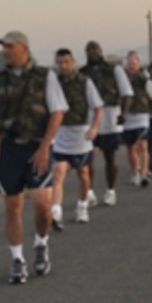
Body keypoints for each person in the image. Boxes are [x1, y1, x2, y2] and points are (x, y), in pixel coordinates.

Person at [0, 30, 64, 284]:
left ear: (24, 49)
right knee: (12, 205)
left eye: (10, 47)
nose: (5, 51)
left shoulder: (44, 77)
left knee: (41, 204)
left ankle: (41, 243)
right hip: (10, 148)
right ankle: (17, 260)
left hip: (37, 145)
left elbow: (57, 112)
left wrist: (45, 148)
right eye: (3, 47)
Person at [46, 47, 105, 226]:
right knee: (58, 172)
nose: (63, 66)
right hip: (61, 133)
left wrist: (94, 128)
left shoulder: (84, 82)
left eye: (66, 62)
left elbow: (98, 107)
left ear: (73, 62)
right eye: (60, 63)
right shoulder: (52, 82)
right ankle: (56, 211)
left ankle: (82, 206)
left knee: (83, 173)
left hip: (81, 133)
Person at [80, 40, 131, 207]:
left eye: (95, 49)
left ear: (101, 51)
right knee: (87, 159)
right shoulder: (82, 73)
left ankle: (110, 190)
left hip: (110, 117)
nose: (92, 52)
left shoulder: (114, 70)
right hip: (88, 118)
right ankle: (89, 191)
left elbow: (126, 93)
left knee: (110, 155)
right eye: (89, 50)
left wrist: (123, 113)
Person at [119, 50, 152, 187]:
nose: (131, 66)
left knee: (143, 144)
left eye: (134, 63)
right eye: (129, 63)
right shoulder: (120, 80)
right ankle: (135, 171)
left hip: (142, 115)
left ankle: (144, 173)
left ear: (138, 65)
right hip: (127, 117)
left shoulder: (144, 80)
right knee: (131, 148)